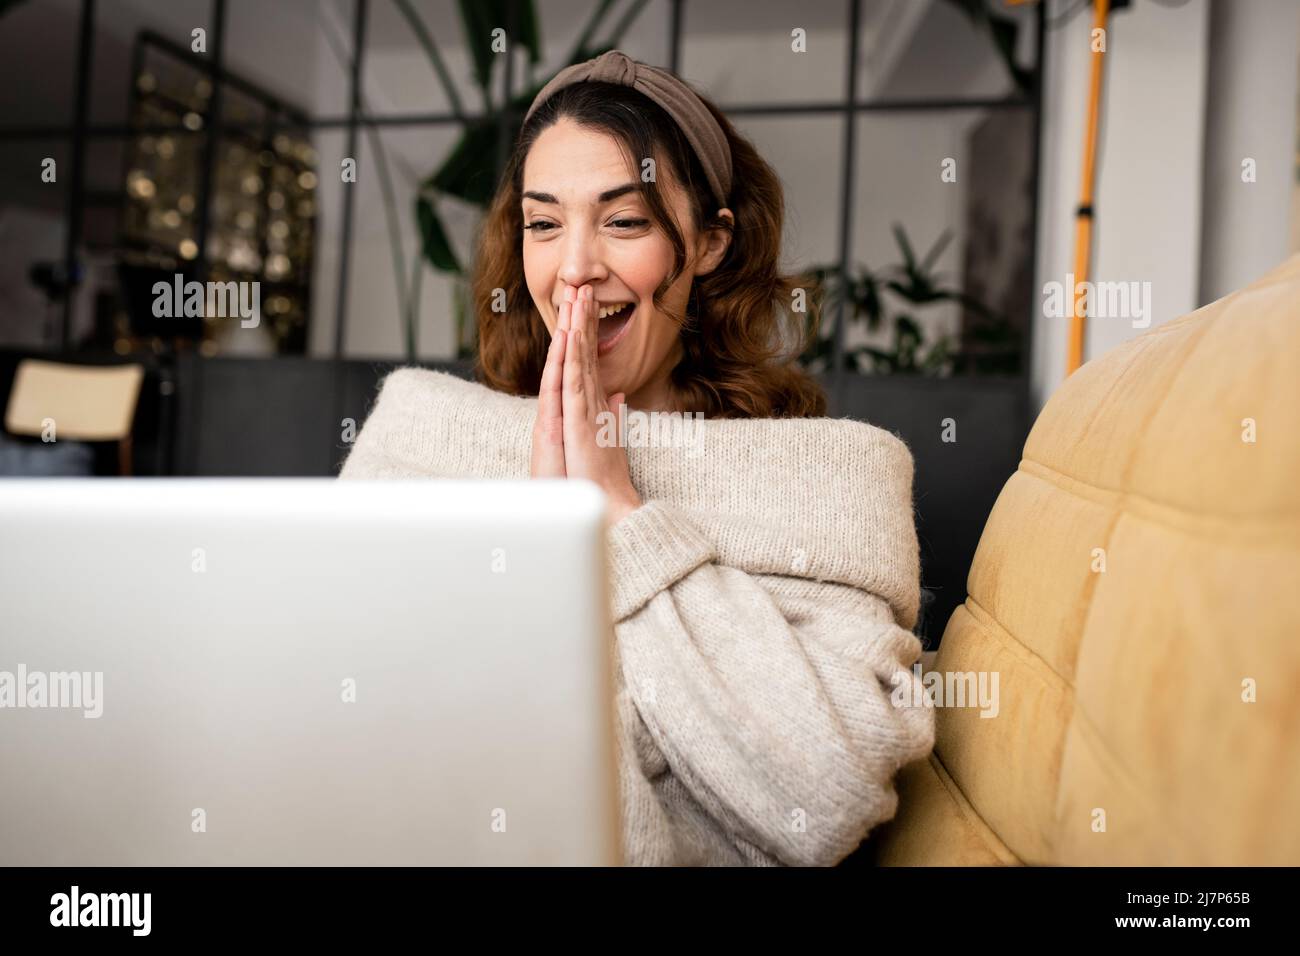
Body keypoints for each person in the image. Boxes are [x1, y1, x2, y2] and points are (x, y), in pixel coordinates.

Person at [340, 50, 934, 866]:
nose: (576, 267)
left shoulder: (831, 480)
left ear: (711, 242)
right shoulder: (421, 430)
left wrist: (620, 519)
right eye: (544, 224)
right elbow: (330, 714)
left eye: (624, 221)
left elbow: (826, 798)